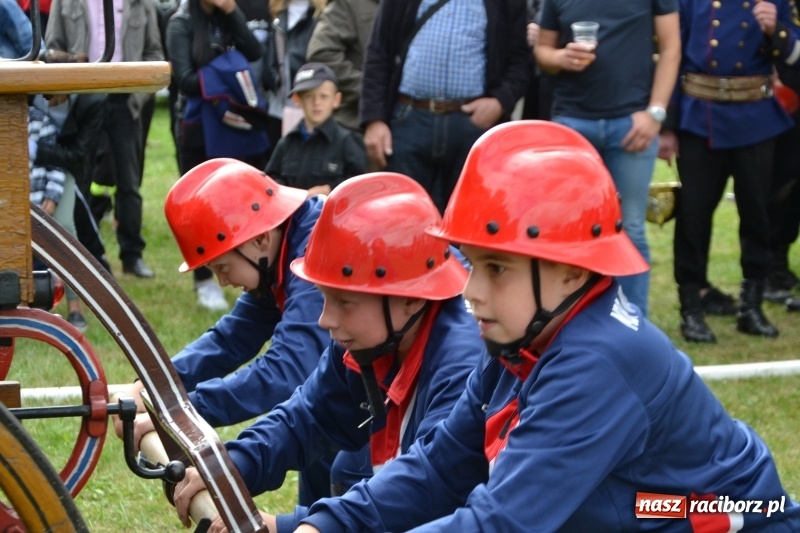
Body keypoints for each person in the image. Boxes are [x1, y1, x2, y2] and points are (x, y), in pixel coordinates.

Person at [252, 120, 800, 533]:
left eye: (497, 268)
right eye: (472, 261)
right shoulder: (523, 339)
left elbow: (501, 524)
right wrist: (326, 525)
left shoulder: (597, 361)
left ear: (569, 271)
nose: (471, 289)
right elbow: (439, 469)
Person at [174, 172, 483, 533]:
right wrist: (233, 464)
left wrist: (292, 526)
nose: (325, 320)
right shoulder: (376, 335)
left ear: (411, 297)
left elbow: (424, 492)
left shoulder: (461, 365)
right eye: (324, 297)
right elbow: (308, 416)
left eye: (344, 302)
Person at [112, 158, 334, 506]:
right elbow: (231, 338)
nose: (222, 281)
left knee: (347, 467)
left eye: (222, 266)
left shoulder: (315, 251)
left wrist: (181, 412)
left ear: (260, 239)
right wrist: (160, 384)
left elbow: (289, 369)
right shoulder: (278, 250)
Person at [659, 0, 800, 342]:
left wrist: (775, 31)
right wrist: (668, 124)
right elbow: (670, 54)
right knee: (693, 217)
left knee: (757, 216)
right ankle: (691, 309)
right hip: (699, 118)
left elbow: (795, 54)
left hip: (755, 118)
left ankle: (751, 305)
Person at [535, 0, 681, 319]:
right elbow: (543, 50)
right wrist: (561, 57)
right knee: (568, 229)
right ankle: (566, 320)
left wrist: (655, 113)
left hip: (633, 125)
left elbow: (671, 48)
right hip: (573, 124)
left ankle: (633, 323)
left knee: (629, 229)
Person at [360, 0, 530, 213]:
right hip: (408, 122)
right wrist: (374, 119)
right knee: (401, 218)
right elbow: (378, 51)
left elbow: (520, 59)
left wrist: (500, 101)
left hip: (471, 126)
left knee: (467, 223)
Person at [45, 0, 164, 279]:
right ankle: (83, 257)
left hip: (126, 98)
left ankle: (132, 255)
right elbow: (51, 48)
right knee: (80, 180)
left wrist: (138, 94)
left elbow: (154, 53)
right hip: (83, 97)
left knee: (129, 182)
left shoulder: (141, 3)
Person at [167, 0, 269, 310]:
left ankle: (240, 270)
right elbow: (182, 79)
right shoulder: (181, 22)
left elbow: (253, 52)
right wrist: (226, 68)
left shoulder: (227, 18)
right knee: (199, 208)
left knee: (236, 203)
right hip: (197, 126)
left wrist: (231, 11)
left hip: (231, 124)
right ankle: (204, 280)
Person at [265, 62, 367, 197]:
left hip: (333, 216)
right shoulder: (286, 143)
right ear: (297, 99)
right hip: (293, 216)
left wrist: (329, 189)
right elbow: (269, 181)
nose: (316, 103)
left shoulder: (347, 141)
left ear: (336, 99)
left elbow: (361, 184)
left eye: (323, 96)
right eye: (309, 96)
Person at [262, 0, 326, 151]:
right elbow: (269, 65)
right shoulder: (277, 20)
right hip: (279, 109)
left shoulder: (321, 19)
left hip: (312, 104)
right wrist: (278, 82)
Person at [304, 0, 378, 132]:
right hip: (356, 125)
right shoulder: (348, 3)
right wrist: (370, 89)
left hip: (407, 121)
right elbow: (320, 53)